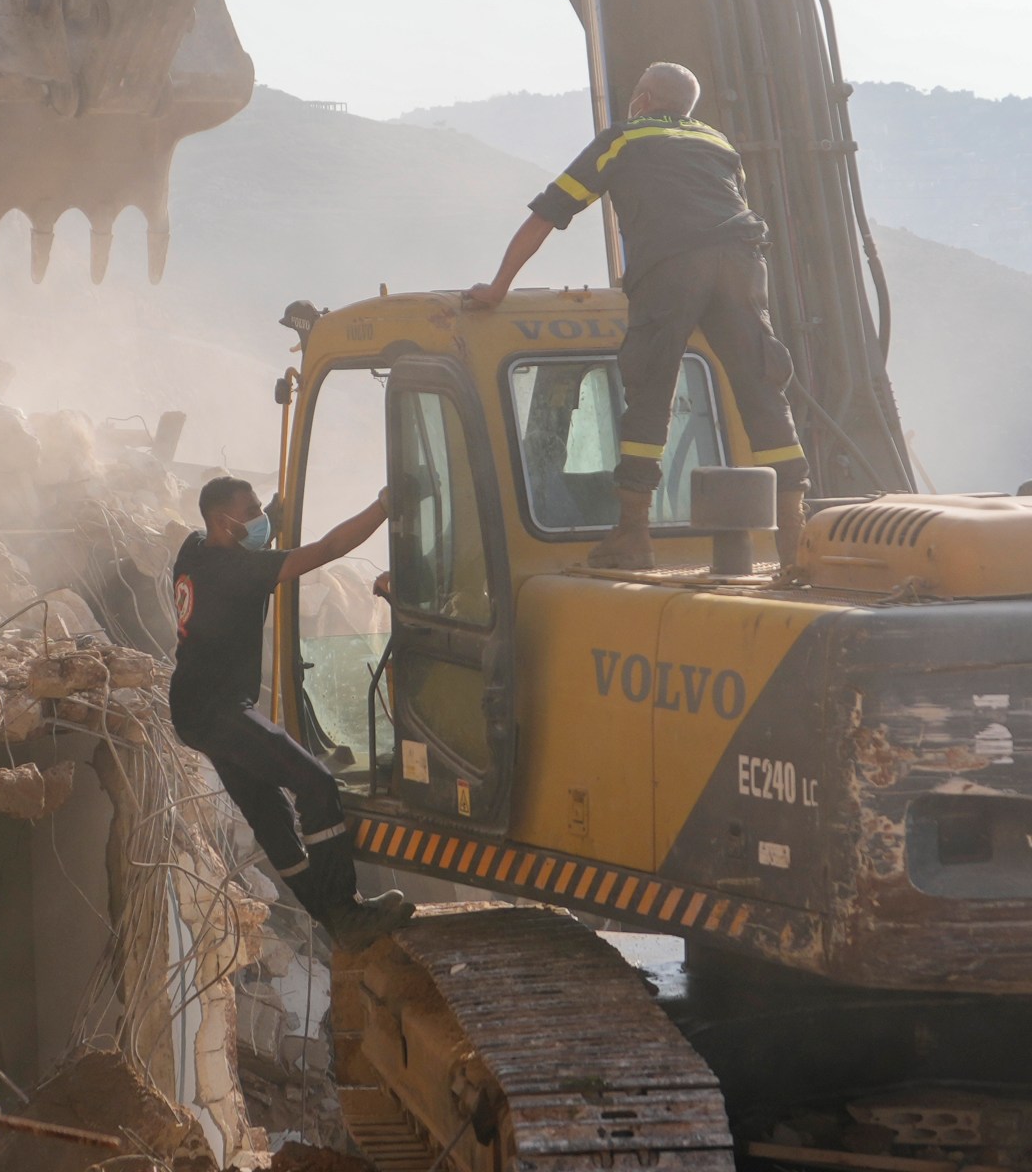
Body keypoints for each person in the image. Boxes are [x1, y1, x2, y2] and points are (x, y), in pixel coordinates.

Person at [463, 61, 808, 571]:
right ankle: (796, 544)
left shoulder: (623, 138)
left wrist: (498, 287)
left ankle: (632, 533)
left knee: (650, 386)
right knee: (762, 385)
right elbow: (726, 207)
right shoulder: (719, 144)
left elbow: (548, 214)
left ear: (644, 99)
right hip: (741, 258)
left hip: (671, 264)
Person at [170, 476, 409, 947]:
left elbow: (239, 551)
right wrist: (384, 505)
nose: (259, 517)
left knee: (270, 814)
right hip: (218, 709)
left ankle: (331, 916)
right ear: (224, 521)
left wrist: (269, 524)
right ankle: (343, 909)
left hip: (194, 707)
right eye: (251, 511)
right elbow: (329, 547)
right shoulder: (234, 571)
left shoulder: (193, 549)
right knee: (316, 785)